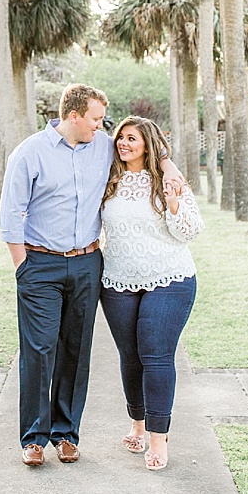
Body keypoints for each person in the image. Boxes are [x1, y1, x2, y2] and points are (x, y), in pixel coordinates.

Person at [0, 84, 184, 466]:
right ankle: (33, 438)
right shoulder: (29, 153)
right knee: (39, 349)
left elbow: (145, 146)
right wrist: (24, 267)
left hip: (87, 264)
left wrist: (168, 164)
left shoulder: (102, 148)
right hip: (40, 264)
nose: (103, 127)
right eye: (97, 119)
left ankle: (66, 434)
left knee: (76, 349)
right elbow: (10, 216)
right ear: (74, 116)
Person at [98, 115, 203, 471]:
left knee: (155, 355)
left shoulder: (168, 180)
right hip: (118, 282)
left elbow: (190, 230)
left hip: (169, 279)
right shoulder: (108, 179)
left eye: (132, 139)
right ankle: (137, 425)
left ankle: (159, 438)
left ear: (148, 145)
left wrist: (173, 204)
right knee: (130, 356)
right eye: (121, 138)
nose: (124, 144)